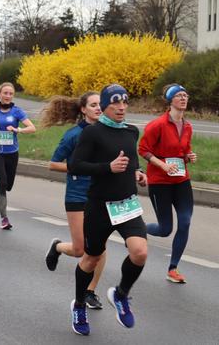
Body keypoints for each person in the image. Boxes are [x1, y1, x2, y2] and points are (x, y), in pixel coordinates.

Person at [68, 84, 148, 336]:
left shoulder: (131, 131)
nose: (122, 107)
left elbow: (132, 162)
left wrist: (138, 173)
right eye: (116, 103)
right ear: (104, 106)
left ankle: (121, 294)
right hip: (100, 206)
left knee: (140, 252)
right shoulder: (93, 133)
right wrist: (107, 167)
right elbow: (76, 166)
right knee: (91, 258)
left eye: (125, 102)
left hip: (126, 204)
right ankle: (79, 305)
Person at [42, 92, 106, 310]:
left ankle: (90, 291)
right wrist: (80, 167)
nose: (99, 108)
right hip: (77, 195)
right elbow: (53, 164)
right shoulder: (73, 135)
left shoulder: (108, 133)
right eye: (94, 105)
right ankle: (58, 247)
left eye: (101, 104)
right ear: (83, 109)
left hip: (102, 195)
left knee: (99, 246)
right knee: (80, 250)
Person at [138, 84, 196, 284]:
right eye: (179, 95)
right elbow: (143, 150)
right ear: (170, 100)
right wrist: (162, 166)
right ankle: (137, 227)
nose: (183, 98)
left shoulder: (188, 126)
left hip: (181, 180)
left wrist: (188, 156)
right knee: (165, 230)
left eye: (185, 95)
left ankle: (173, 268)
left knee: (186, 221)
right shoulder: (157, 125)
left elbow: (183, 151)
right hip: (160, 182)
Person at [0, 82, 36, 229]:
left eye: (10, 93)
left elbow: (32, 128)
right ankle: (4, 218)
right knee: (3, 184)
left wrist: (18, 130)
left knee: (8, 186)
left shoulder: (17, 111)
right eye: (5, 93)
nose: (8, 96)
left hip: (12, 152)